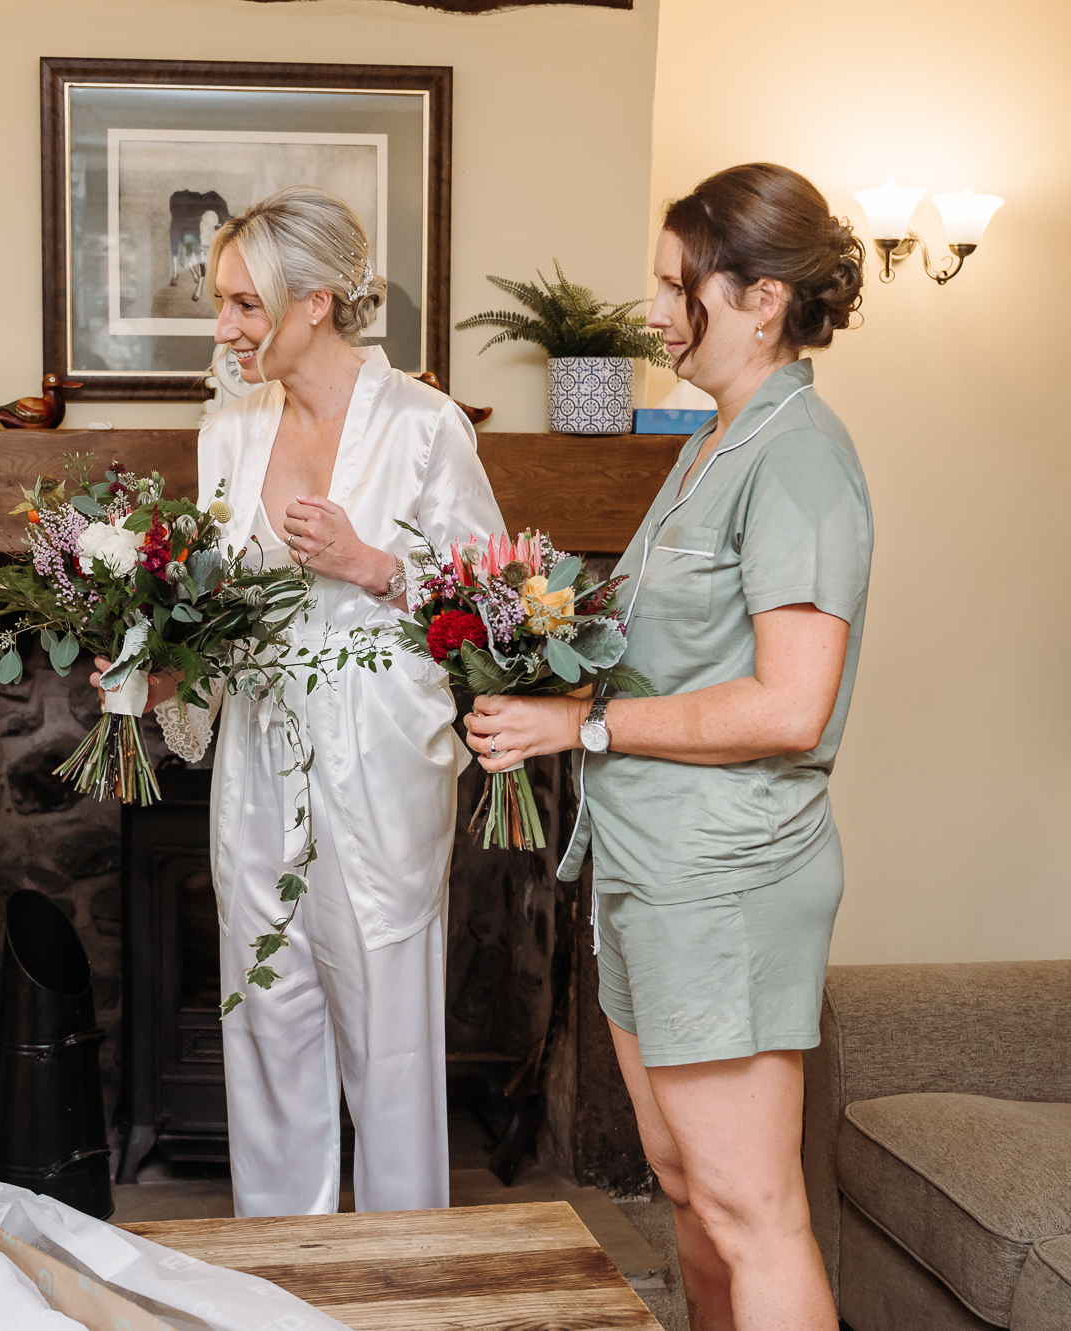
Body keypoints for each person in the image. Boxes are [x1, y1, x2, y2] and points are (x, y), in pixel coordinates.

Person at [463, 163, 869, 1330]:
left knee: (752, 1207)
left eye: (671, 282)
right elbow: (671, 656)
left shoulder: (797, 454)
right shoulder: (706, 447)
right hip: (648, 869)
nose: (648, 311)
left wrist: (576, 720)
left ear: (758, 298)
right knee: (688, 1185)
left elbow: (788, 706)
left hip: (724, 881)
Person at [101, 186, 504, 1217]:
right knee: (265, 1008)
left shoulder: (424, 427)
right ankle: (282, 1275)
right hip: (259, 754)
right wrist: (163, 664)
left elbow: (492, 603)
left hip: (381, 756)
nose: (225, 328)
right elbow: (211, 602)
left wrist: (372, 564)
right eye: (222, 303)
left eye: (245, 305)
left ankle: (404, 1274)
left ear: (316, 301)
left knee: (388, 1027)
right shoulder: (227, 431)